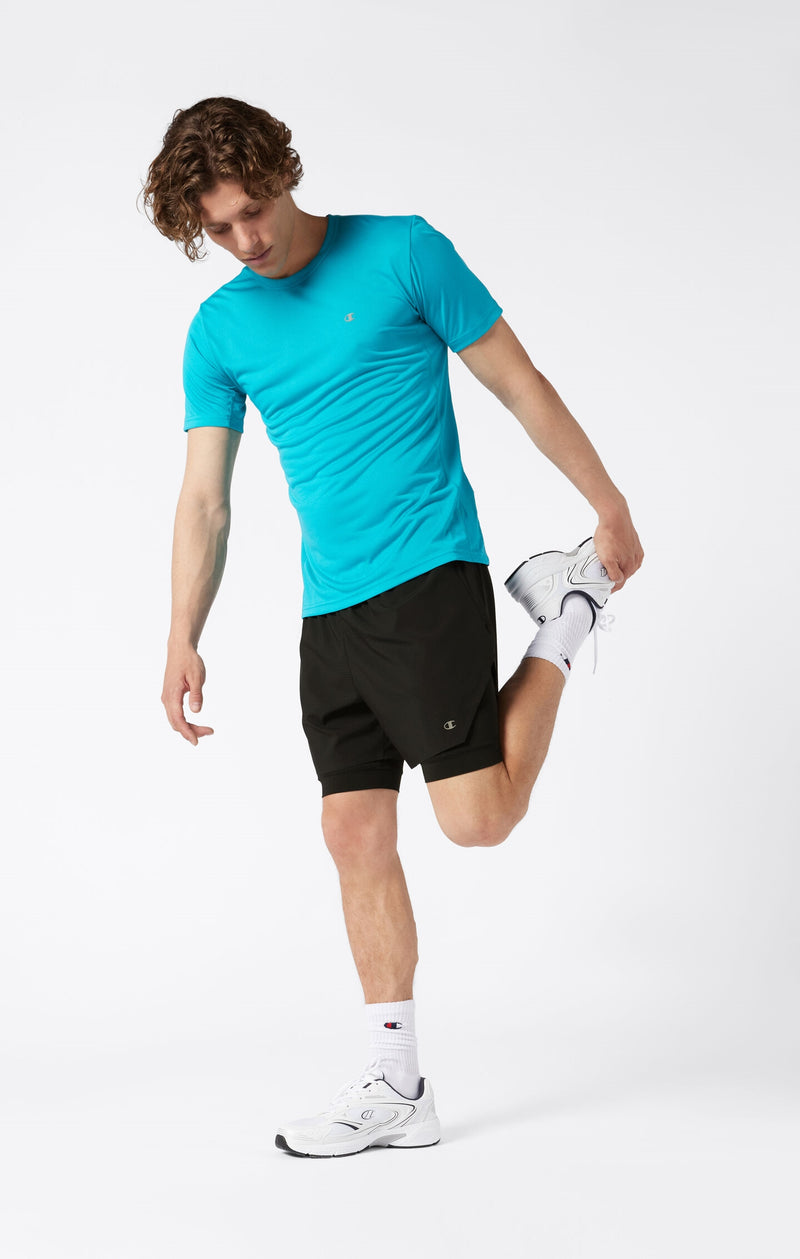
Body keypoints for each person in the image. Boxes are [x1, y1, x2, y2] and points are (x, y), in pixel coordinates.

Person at [142, 96, 643, 1158]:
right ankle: (396, 1084)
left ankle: (569, 608)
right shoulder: (218, 330)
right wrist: (183, 630)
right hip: (329, 607)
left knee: (477, 821)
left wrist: (605, 506)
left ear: (283, 172)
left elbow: (518, 383)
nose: (245, 240)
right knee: (351, 833)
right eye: (219, 229)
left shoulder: (404, 252)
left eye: (252, 210)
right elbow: (205, 499)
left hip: (427, 576)